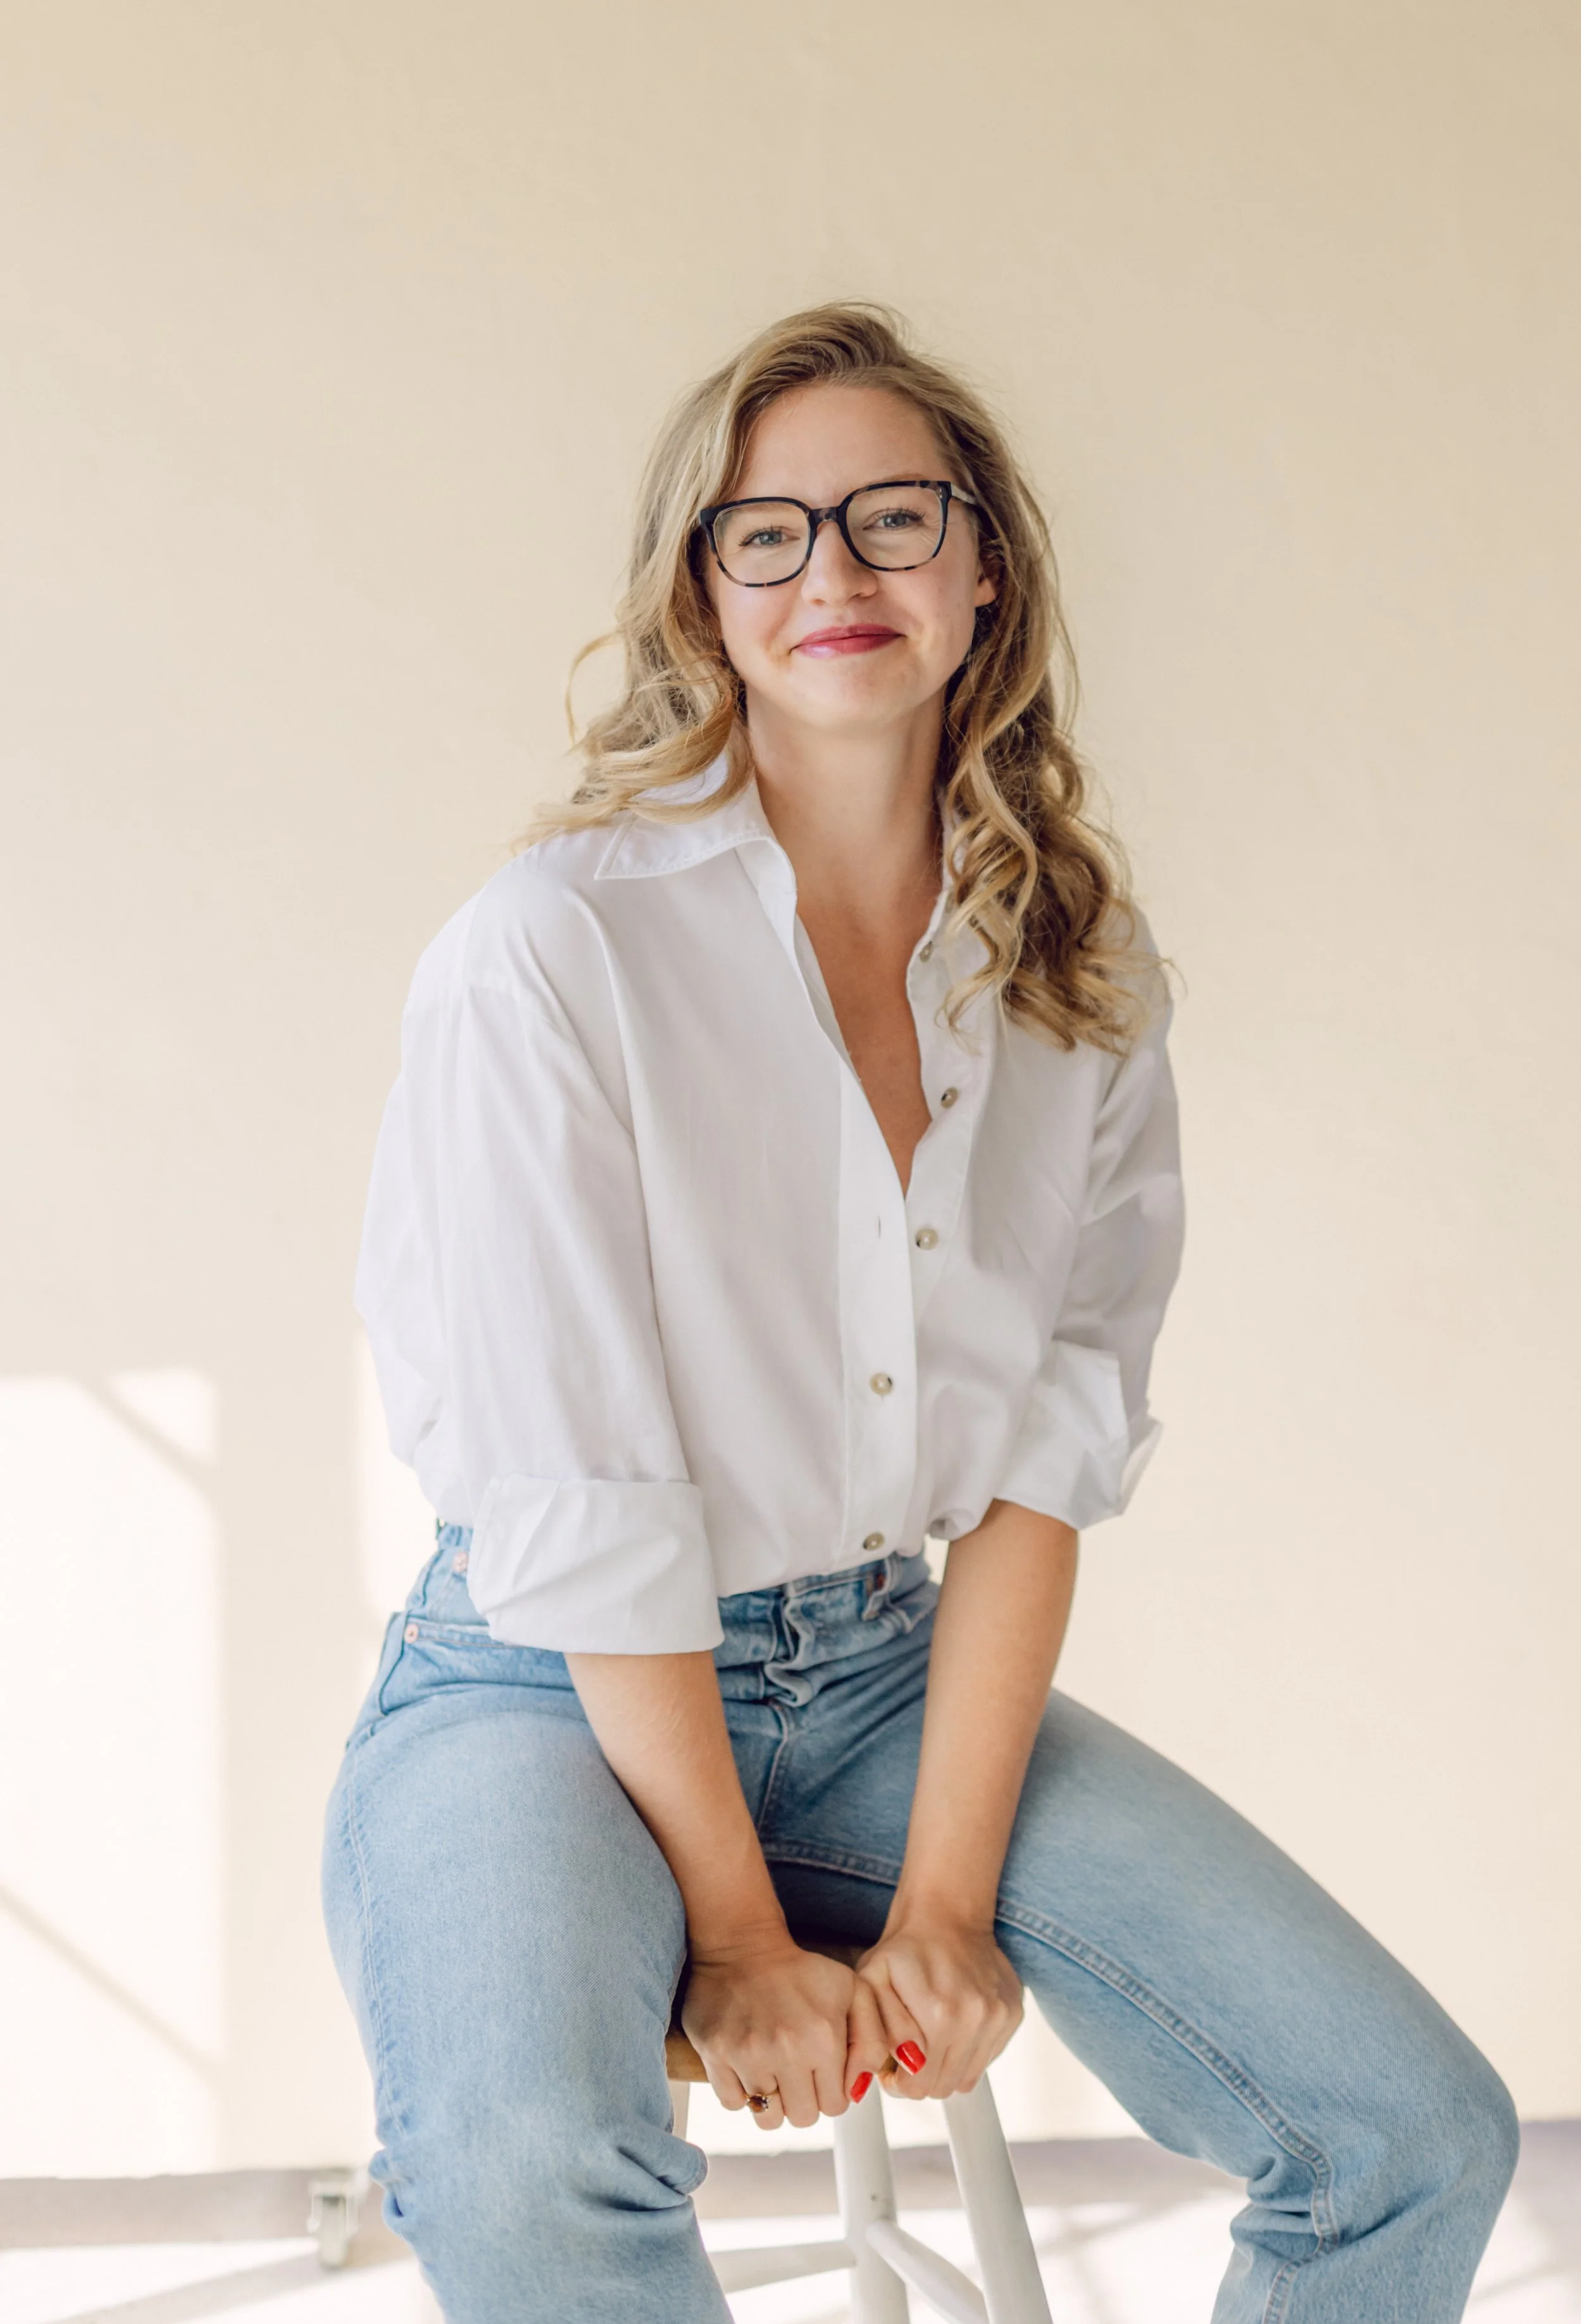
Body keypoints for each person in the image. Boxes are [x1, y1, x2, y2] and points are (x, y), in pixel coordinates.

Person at [325, 303, 1516, 2323]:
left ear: (985, 573)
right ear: (702, 597)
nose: (835, 573)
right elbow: (587, 1495)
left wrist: (947, 1903)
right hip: (540, 1680)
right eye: (764, 533)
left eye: (891, 516)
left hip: (890, 1674)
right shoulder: (552, 953)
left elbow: (1044, 1470)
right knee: (529, 2160)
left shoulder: (1079, 975)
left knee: (1408, 2131)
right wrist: (733, 1930)